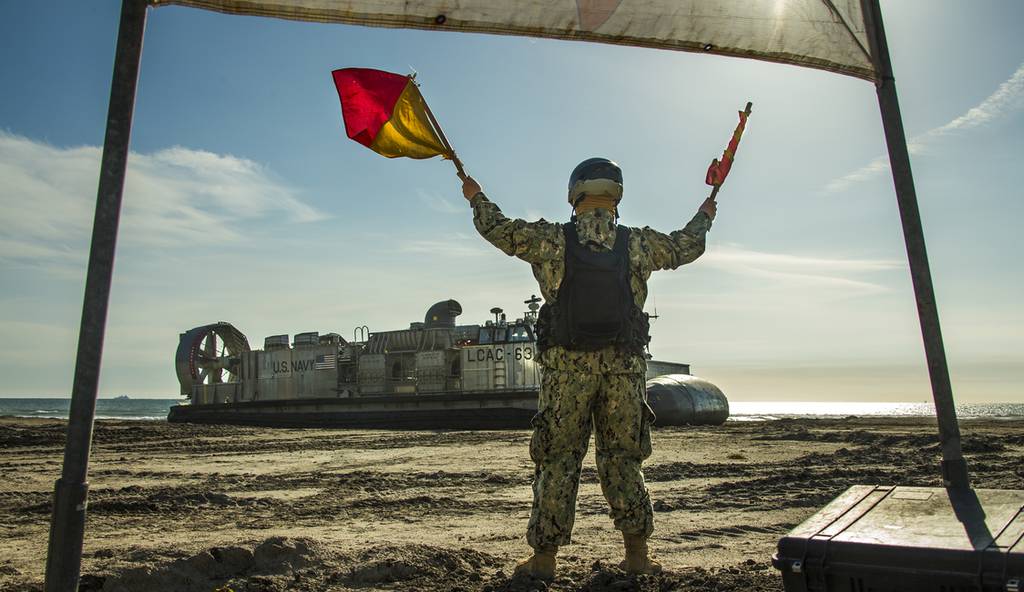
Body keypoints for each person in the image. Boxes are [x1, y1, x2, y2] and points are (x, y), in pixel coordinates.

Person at [460, 158, 715, 580]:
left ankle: (544, 560)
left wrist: (475, 196)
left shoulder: (550, 240)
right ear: (617, 195)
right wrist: (705, 213)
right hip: (624, 371)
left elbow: (499, 230)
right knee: (623, 459)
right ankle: (637, 556)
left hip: (566, 371)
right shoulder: (639, 243)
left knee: (558, 460)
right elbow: (686, 245)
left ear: (574, 194)